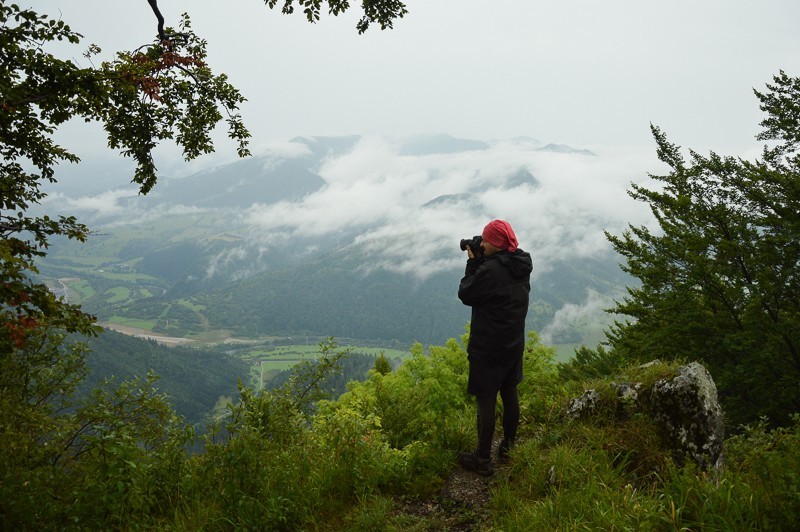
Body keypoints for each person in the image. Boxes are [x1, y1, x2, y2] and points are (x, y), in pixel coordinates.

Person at [457, 219, 532, 476]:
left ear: (497, 243)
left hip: (488, 346)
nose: (483, 243)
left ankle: (482, 460)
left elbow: (466, 293)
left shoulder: (490, 270)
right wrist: (483, 259)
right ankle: (508, 448)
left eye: (487, 240)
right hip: (513, 344)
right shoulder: (521, 263)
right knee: (509, 393)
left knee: (486, 400)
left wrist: (473, 262)